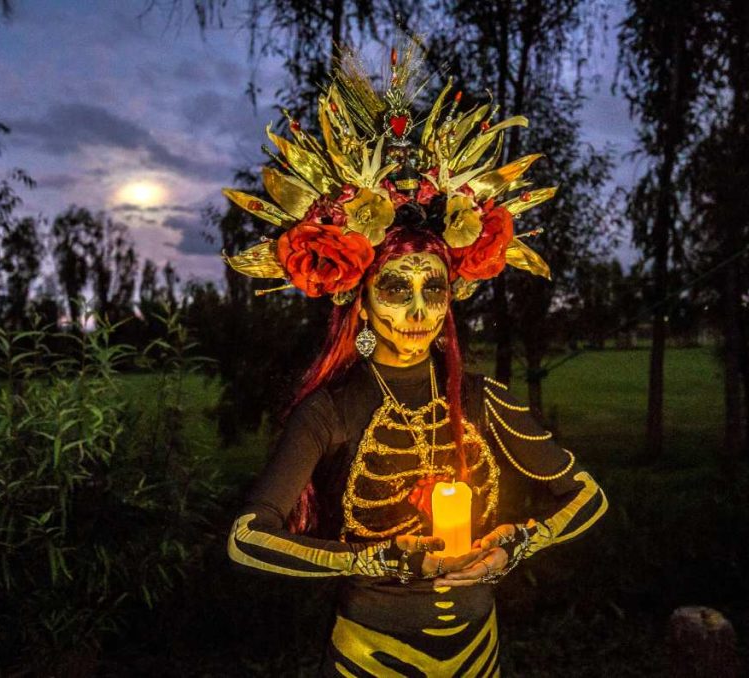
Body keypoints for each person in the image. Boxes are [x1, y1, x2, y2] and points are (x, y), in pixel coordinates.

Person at [222, 40, 608, 677]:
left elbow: (586, 496)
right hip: (371, 656)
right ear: (360, 299)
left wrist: (515, 543)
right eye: (397, 288)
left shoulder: (482, 399)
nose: (420, 308)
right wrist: (375, 560)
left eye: (434, 287)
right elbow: (246, 537)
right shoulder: (332, 411)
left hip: (479, 654)